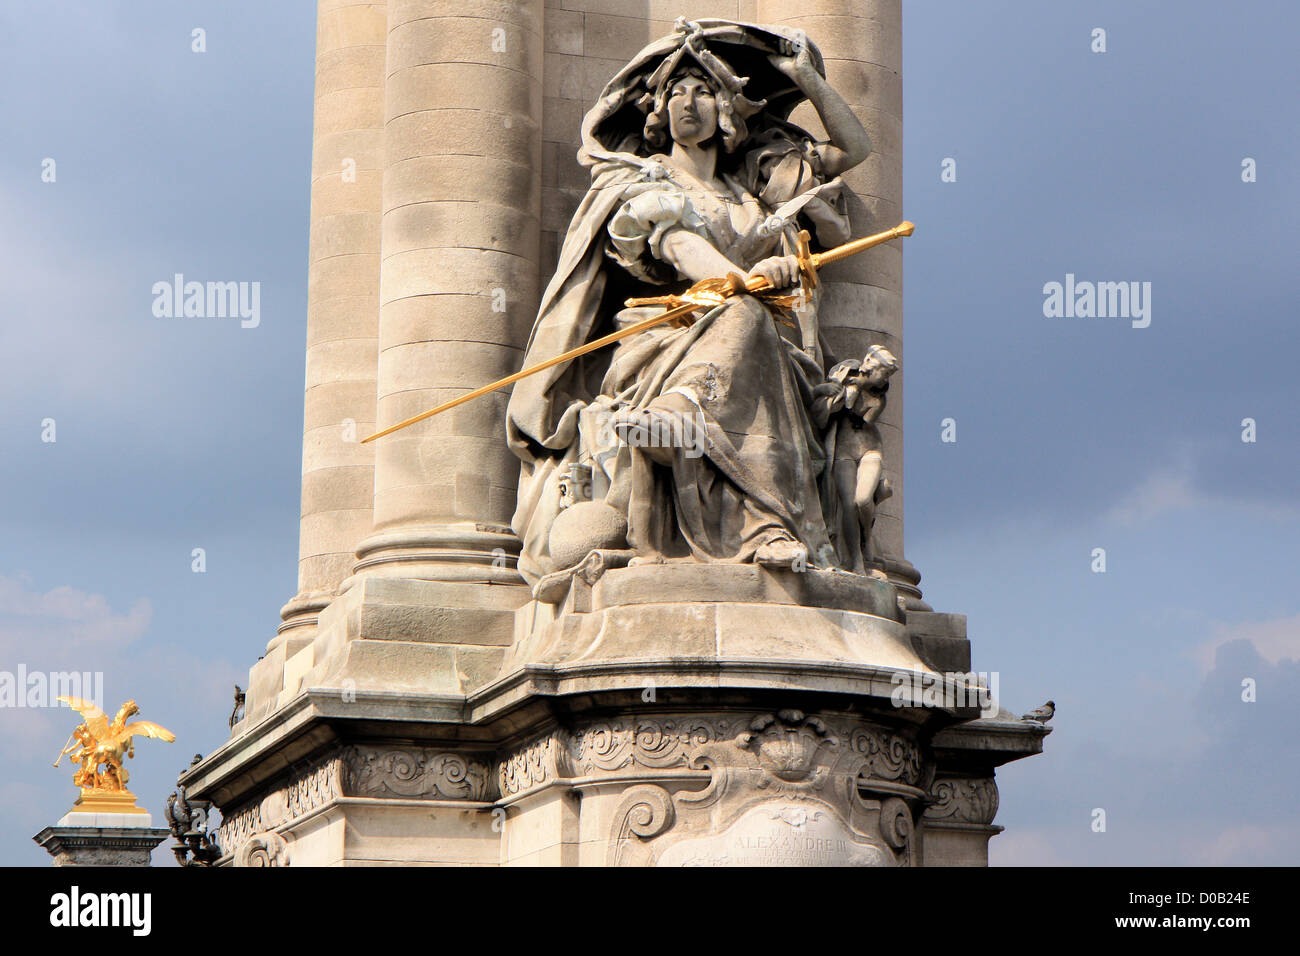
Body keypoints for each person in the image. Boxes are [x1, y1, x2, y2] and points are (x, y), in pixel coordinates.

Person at [506, 20, 874, 595]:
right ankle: (688, 426)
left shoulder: (753, 185)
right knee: (742, 315)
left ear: (727, 108)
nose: (687, 102)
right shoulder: (643, 186)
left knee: (752, 323)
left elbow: (855, 150)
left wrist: (807, 79)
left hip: (771, 342)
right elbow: (676, 244)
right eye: (674, 92)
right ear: (658, 111)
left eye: (702, 90)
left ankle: (762, 524)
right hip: (669, 335)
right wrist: (744, 279)